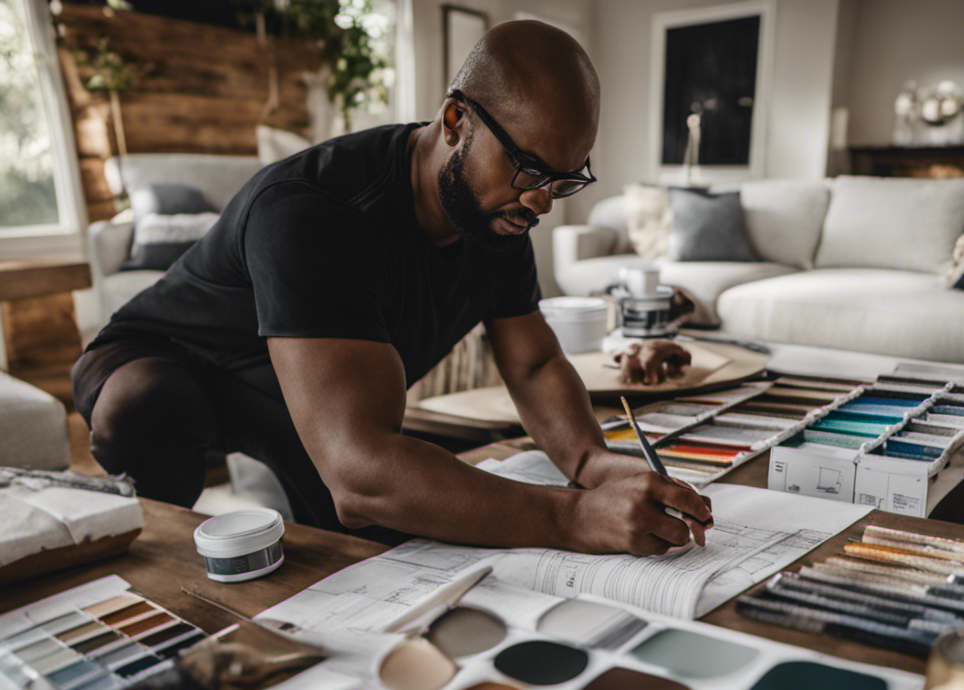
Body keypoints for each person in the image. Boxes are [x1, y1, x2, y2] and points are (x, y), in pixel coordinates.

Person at [72, 20, 713, 555]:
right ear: (456, 118)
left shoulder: (499, 219)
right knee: (150, 408)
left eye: (564, 178)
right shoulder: (312, 211)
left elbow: (537, 361)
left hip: (299, 387)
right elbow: (362, 469)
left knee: (379, 534)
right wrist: (569, 517)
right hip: (166, 364)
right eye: (527, 168)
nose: (542, 199)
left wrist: (590, 466)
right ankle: (154, 555)